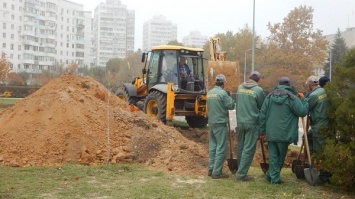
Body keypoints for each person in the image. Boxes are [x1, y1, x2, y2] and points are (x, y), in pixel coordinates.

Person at [259, 77, 308, 184]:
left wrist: (262, 131)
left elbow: (262, 114)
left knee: (273, 157)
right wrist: (303, 99)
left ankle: (269, 176)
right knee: (280, 157)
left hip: (271, 132)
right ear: (289, 85)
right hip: (284, 133)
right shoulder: (292, 98)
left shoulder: (269, 97)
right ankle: (274, 179)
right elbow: (303, 111)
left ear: (279, 84)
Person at [235, 71, 265, 181]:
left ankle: (239, 170)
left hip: (240, 122)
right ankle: (241, 175)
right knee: (248, 149)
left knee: (241, 147)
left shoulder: (239, 87)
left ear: (248, 77)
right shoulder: (258, 90)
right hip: (252, 122)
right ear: (258, 80)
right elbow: (263, 107)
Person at [206, 74, 235, 179]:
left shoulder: (210, 93)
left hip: (212, 123)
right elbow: (231, 105)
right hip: (220, 123)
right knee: (221, 148)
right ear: (223, 83)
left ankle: (211, 169)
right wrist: (229, 97)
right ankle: (217, 172)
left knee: (213, 147)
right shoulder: (223, 93)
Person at [306, 76, 331, 184]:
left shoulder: (314, 95)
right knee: (306, 136)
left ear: (310, 85)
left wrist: (302, 100)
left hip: (319, 125)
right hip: (328, 124)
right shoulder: (327, 92)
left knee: (320, 150)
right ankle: (310, 162)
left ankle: (325, 176)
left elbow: (306, 107)